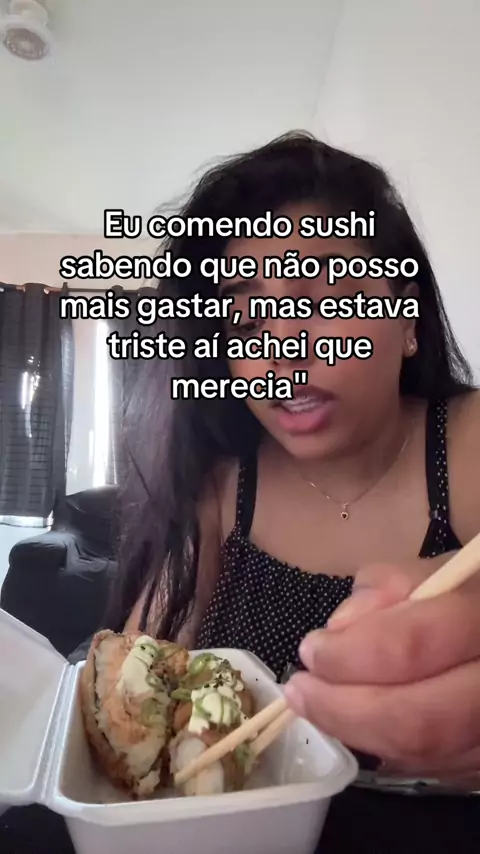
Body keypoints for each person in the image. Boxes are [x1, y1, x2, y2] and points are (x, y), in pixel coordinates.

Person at [108, 131, 480, 851]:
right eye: (247, 320)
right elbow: (135, 681)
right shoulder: (222, 487)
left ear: (406, 318)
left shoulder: (466, 445)